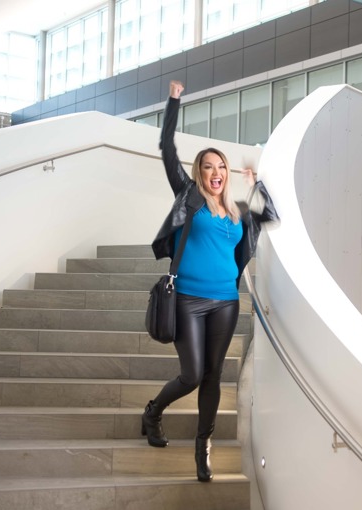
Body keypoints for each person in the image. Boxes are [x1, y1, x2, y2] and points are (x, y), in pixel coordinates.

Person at [141, 80, 279, 482]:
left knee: (215, 376)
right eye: (209, 166)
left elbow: (268, 214)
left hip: (226, 302)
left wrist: (255, 185)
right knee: (192, 374)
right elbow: (167, 149)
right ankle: (152, 413)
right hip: (187, 299)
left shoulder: (238, 211)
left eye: (221, 167)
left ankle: (203, 448)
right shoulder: (188, 196)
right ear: (199, 172)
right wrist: (173, 101)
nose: (216, 173)